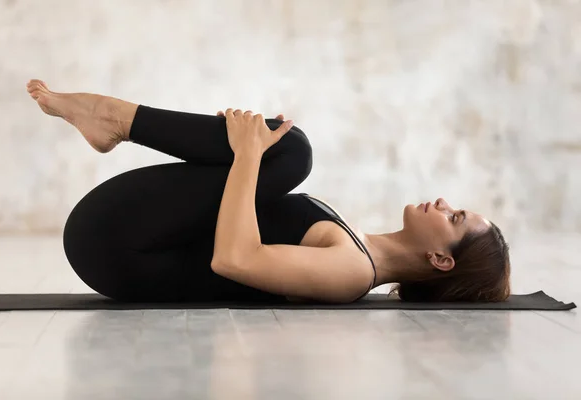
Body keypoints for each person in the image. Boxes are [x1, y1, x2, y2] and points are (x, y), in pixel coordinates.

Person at [26, 79, 511, 304]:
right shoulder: (358, 242)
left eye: (454, 219)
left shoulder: (352, 272)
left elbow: (234, 259)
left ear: (440, 260)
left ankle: (111, 116)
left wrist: (246, 155)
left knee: (291, 152)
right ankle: (110, 118)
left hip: (117, 250)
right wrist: (234, 151)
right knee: (289, 149)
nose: (445, 204)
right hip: (128, 236)